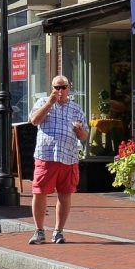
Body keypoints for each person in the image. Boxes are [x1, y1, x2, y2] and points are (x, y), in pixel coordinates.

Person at [28, 74, 88, 245]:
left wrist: (79, 132)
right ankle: (39, 231)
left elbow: (84, 135)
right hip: (46, 155)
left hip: (68, 156)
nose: (60, 91)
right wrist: (49, 103)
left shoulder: (76, 108)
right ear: (52, 88)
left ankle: (58, 231)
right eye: (56, 87)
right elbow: (34, 120)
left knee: (65, 194)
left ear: (69, 88)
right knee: (39, 192)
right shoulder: (43, 102)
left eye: (63, 87)